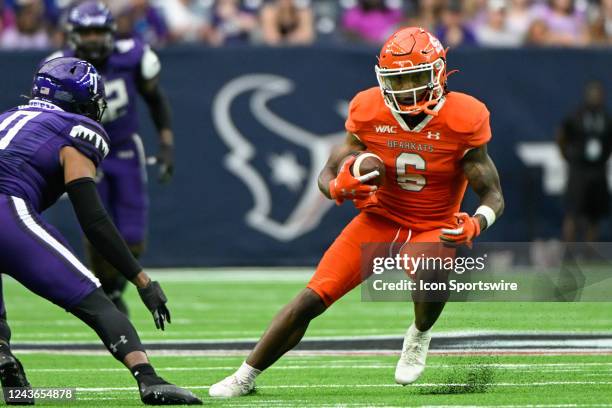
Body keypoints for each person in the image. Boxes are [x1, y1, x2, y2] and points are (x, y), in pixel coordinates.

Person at [208, 26, 504, 397]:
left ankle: (419, 333)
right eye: (396, 81)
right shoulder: (368, 108)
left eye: (414, 77)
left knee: (429, 266)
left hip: (435, 224)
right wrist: (337, 186)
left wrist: (476, 222)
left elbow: (492, 194)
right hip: (380, 219)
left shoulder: (466, 116)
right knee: (312, 297)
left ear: (439, 73)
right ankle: (245, 374)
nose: (405, 89)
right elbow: (328, 170)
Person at [0, 57, 201, 405]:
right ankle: (149, 379)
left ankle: (5, 364)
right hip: (6, 212)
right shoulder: (73, 129)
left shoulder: (7, 117)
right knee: (96, 302)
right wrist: (143, 281)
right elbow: (92, 219)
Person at [45, 1, 175, 315]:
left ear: (111, 32)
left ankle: (114, 288)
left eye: (98, 31)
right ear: (74, 34)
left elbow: (155, 99)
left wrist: (166, 144)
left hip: (124, 148)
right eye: (86, 31)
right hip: (83, 152)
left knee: (132, 235)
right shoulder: (59, 65)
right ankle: (111, 293)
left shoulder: (133, 55)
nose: (92, 38)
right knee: (97, 227)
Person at [557, 80, 612, 242]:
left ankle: (590, 254)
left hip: (598, 170)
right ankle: (569, 254)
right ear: (587, 96)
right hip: (579, 171)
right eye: (593, 94)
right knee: (573, 212)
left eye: (598, 95)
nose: (595, 98)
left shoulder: (606, 118)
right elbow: (561, 135)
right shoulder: (577, 116)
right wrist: (567, 156)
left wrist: (604, 157)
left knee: (594, 214)